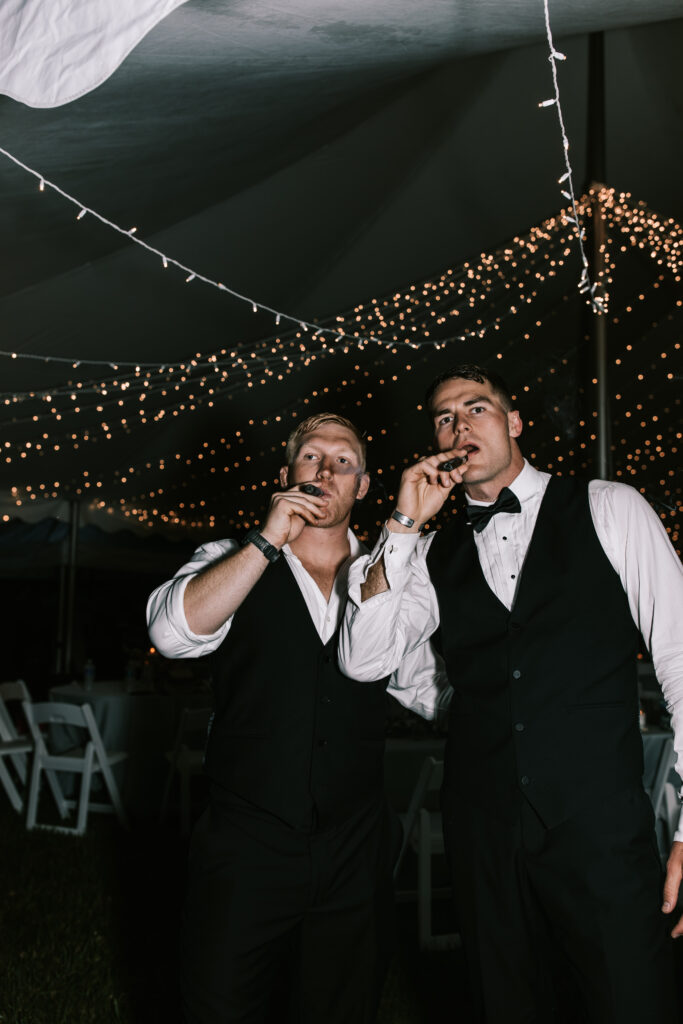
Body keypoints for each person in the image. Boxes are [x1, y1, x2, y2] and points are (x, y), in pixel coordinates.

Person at [338, 364, 683, 1023]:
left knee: (633, 1001)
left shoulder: (608, 506)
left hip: (598, 827)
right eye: (444, 417)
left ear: (514, 421)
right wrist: (403, 524)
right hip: (482, 828)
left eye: (476, 407)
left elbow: (677, 654)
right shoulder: (427, 556)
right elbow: (365, 660)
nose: (459, 424)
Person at [146, 412, 448, 1024]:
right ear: (286, 474)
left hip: (354, 849)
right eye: (312, 457)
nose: (326, 470)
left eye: (344, 461)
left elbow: (430, 691)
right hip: (246, 844)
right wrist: (267, 541)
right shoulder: (231, 556)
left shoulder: (395, 575)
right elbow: (172, 634)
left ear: (363, 487)